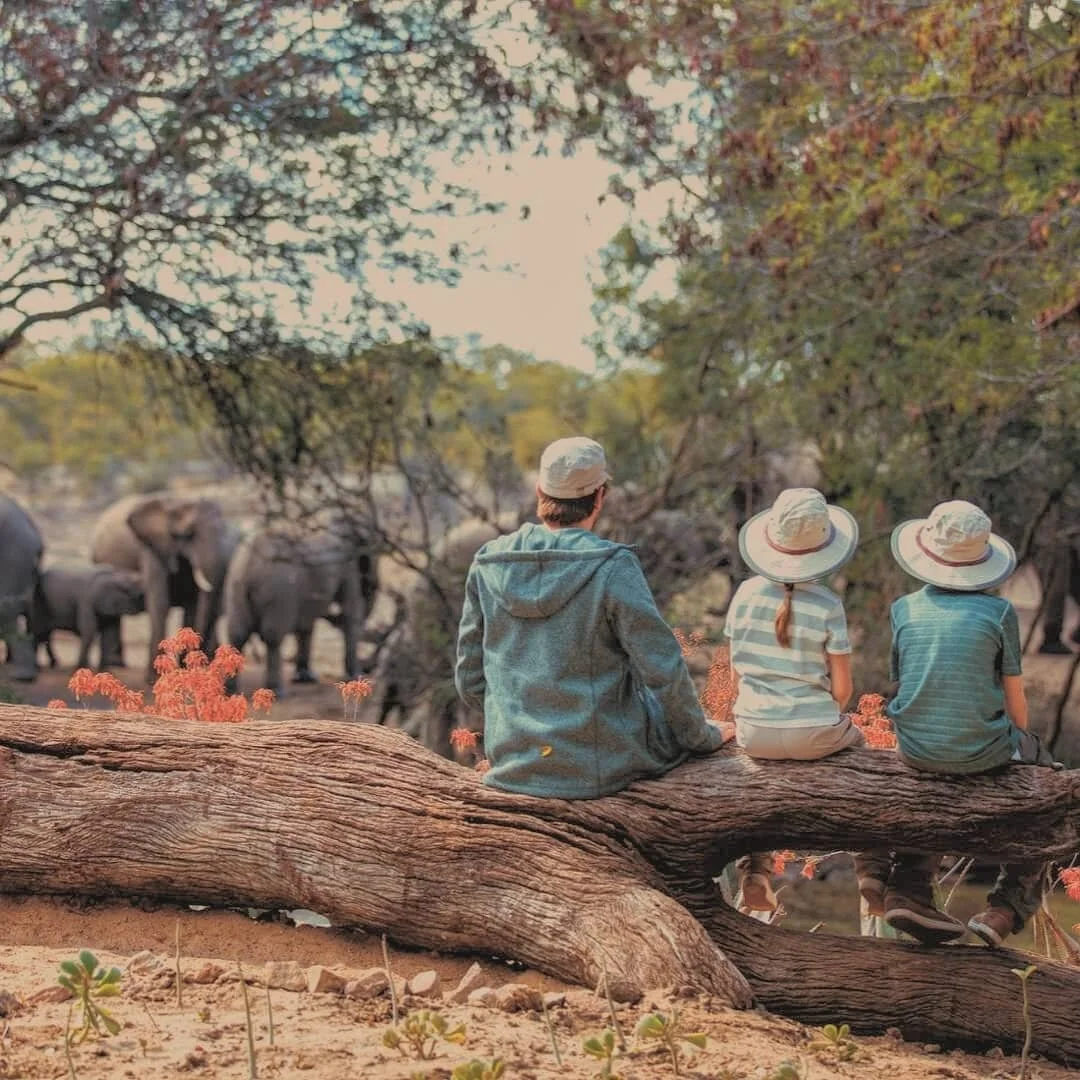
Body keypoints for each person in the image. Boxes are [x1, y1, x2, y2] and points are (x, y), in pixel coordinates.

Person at [454, 436, 729, 799]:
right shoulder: (612, 567)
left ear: (540, 492)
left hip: (513, 761)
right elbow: (662, 668)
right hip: (602, 767)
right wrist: (702, 737)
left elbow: (469, 679)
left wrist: (520, 727)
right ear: (601, 496)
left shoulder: (488, 562)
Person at [882, 499, 1056, 946]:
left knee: (931, 788)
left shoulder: (903, 608)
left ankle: (908, 885)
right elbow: (1017, 710)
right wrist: (1024, 742)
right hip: (982, 752)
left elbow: (905, 685)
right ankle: (1005, 909)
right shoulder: (999, 613)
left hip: (914, 749)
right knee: (1048, 792)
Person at [724, 487, 874, 914]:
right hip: (815, 731)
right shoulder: (828, 604)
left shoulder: (744, 595)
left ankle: (754, 869)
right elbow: (842, 690)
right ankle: (872, 872)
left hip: (753, 731)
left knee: (756, 784)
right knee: (864, 756)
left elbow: (735, 679)